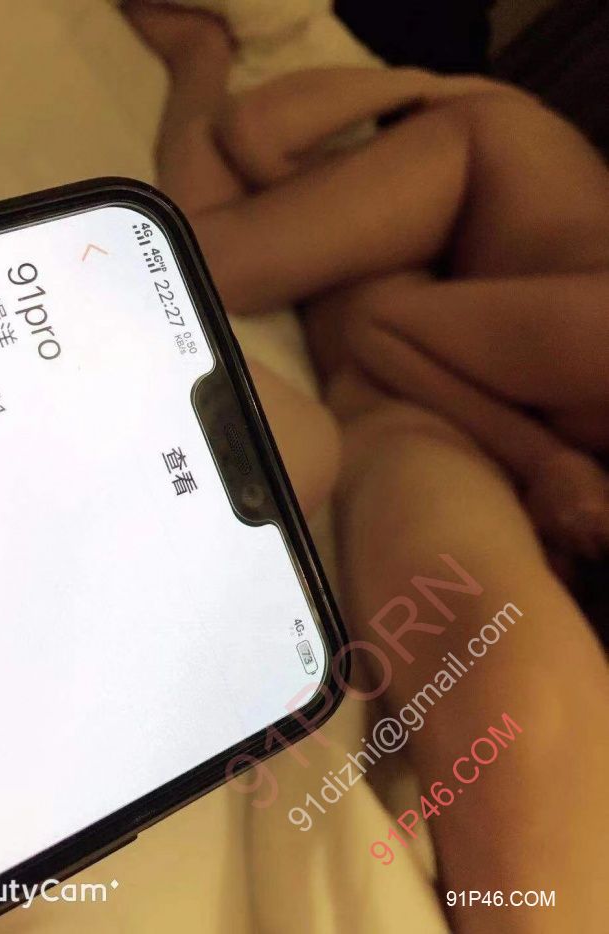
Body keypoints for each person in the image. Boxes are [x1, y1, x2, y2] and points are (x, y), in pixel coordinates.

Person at [125, 4, 609, 932]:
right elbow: (378, 317)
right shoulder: (565, 301)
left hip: (431, 370)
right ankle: (200, 51)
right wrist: (545, 459)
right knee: (198, 254)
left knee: (465, 586)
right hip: (420, 330)